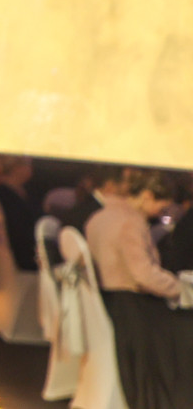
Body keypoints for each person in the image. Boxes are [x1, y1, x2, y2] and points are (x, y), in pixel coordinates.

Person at [84, 167, 185, 409]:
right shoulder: (131, 222)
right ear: (147, 196)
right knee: (185, 329)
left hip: (110, 302)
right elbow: (143, 275)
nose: (161, 213)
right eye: (161, 207)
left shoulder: (98, 216)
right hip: (133, 308)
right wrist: (181, 288)